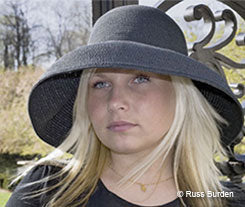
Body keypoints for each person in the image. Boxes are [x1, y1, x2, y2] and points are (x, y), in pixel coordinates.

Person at [6, 5, 245, 207]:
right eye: (100, 84)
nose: (116, 102)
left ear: (182, 96)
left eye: (140, 78)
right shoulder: (46, 193)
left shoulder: (224, 201)